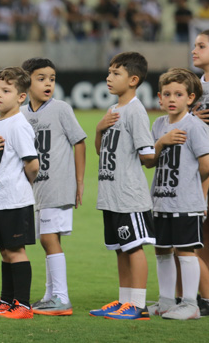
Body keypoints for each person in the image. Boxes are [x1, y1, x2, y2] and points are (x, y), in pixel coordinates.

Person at [89, 52, 156, 320]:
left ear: (133, 80)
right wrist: (98, 129)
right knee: (121, 248)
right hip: (111, 194)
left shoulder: (136, 110)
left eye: (116, 73)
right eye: (109, 72)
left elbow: (148, 155)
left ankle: (138, 305)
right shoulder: (112, 110)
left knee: (134, 246)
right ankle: (124, 301)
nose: (109, 77)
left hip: (129, 194)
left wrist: (161, 145)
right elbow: (100, 150)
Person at [20, 58, 87, 316]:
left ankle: (61, 297)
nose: (48, 83)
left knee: (49, 238)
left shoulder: (61, 109)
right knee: (47, 240)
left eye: (52, 78)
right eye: (41, 78)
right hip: (36, 190)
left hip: (58, 185)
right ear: (27, 82)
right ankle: (50, 295)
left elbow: (79, 142)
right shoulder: (23, 114)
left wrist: (79, 182)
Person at [148, 69, 209, 320]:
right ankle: (166, 301)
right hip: (161, 201)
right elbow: (150, 162)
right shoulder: (159, 124)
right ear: (159, 98)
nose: (172, 98)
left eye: (178, 94)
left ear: (190, 98)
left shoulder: (195, 126)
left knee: (186, 251)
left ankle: (190, 304)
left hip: (186, 202)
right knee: (162, 250)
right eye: (167, 94)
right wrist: (161, 142)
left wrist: (198, 196)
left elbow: (208, 166)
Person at [0, 67, 39, 320]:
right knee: (4, 250)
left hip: (14, 198)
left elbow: (32, 164)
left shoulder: (18, 125)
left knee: (15, 250)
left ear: (21, 97)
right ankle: (6, 300)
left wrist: (22, 185)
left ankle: (22, 305)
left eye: (6, 91)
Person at [191, 30, 209, 315]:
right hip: (200, 169)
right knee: (205, 234)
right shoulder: (196, 86)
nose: (194, 50)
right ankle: (207, 295)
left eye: (202, 46)